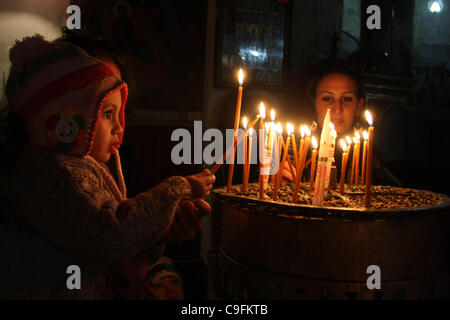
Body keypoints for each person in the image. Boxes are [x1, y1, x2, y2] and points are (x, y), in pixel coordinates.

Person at [0, 34, 215, 299]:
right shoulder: (43, 172)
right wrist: (176, 190)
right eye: (103, 110)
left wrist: (160, 230)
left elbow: (118, 229)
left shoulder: (99, 163)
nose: (119, 126)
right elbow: (108, 234)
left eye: (115, 109)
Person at [278, 62, 402, 187]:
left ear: (359, 106)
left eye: (347, 99)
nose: (337, 109)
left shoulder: (366, 152)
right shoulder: (295, 145)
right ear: (314, 102)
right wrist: (276, 183)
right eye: (327, 98)